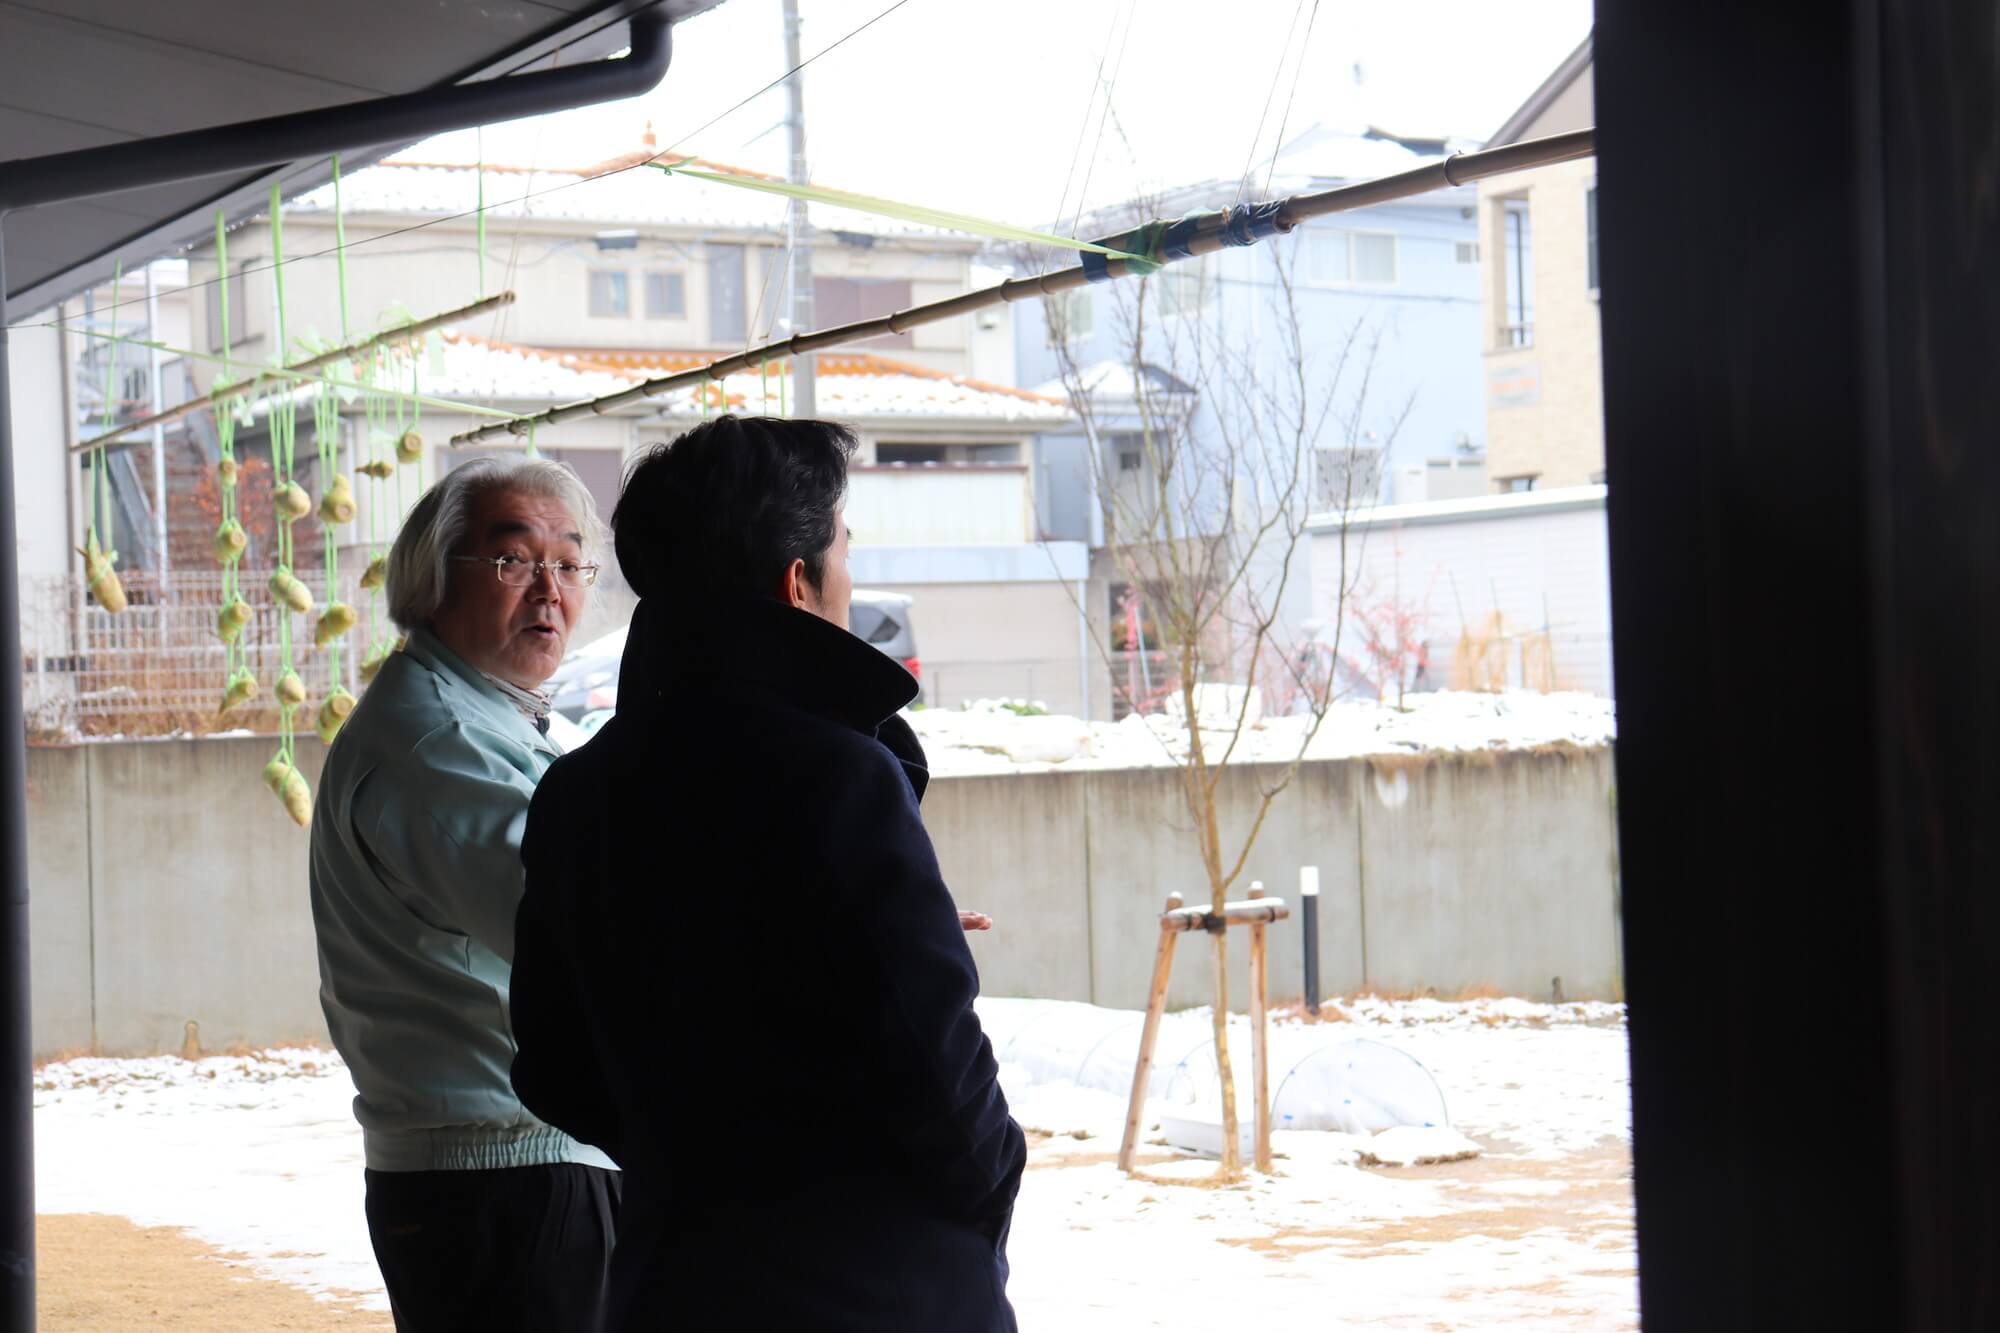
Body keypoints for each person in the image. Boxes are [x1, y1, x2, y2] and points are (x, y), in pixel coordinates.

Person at [510, 416, 1025, 1332]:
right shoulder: (840, 779)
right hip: (876, 1286)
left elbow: (553, 1068)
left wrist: (692, 1163)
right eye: (844, 550)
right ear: (798, 582)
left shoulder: (575, 792)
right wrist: (983, 1194)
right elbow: (943, 1080)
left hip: (674, 1280)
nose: (852, 577)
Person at [309, 456, 621, 1332]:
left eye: (568, 564)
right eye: (514, 559)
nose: (549, 592)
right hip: (502, 1176)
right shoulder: (438, 745)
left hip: (505, 1170)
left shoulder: (490, 715)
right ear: (432, 579)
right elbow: (585, 929)